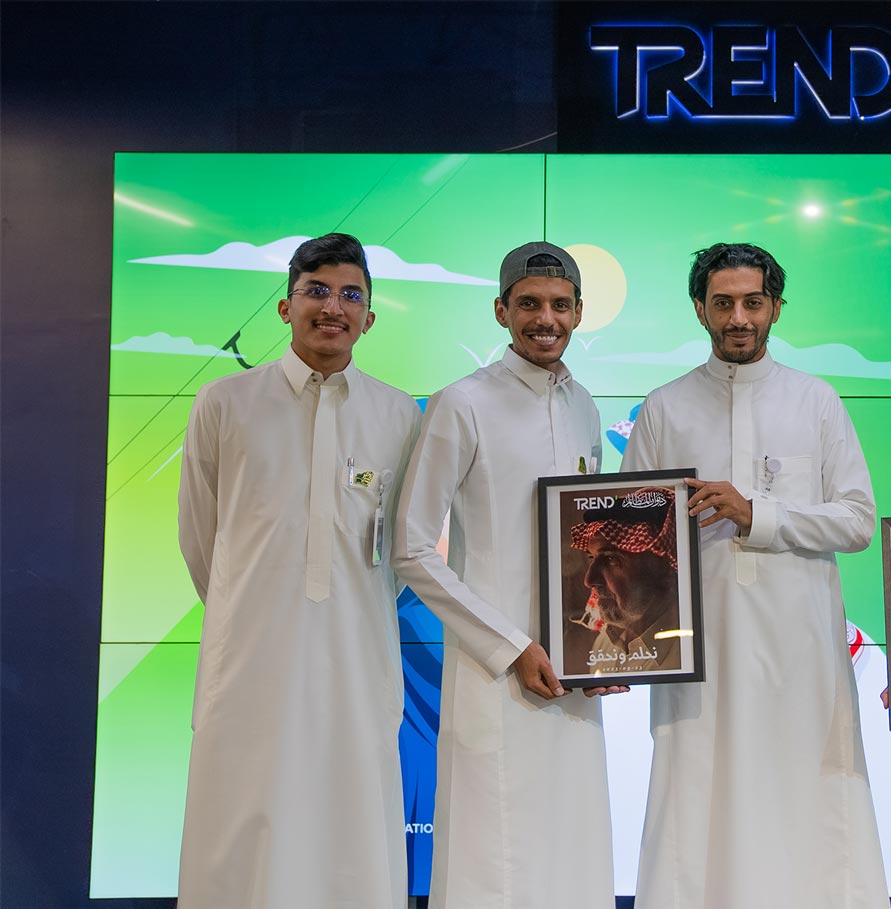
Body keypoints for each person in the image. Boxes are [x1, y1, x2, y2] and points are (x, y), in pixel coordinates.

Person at [620, 242, 888, 909]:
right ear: (700, 309)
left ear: (776, 307)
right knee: (696, 805)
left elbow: (858, 521)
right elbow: (626, 541)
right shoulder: (664, 407)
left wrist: (755, 513)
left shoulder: (816, 401)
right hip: (697, 657)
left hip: (800, 651)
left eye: (753, 302)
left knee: (807, 804)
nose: (738, 317)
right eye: (723, 303)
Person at [176, 232, 421, 908]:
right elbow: (201, 540)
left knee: (350, 829)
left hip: (356, 657)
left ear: (370, 317)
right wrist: (250, 606)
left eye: (350, 295)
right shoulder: (224, 403)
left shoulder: (398, 413)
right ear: (286, 307)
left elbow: (403, 551)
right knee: (241, 827)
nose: (332, 307)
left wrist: (342, 603)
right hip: (250, 660)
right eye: (317, 291)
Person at [392, 241, 617, 909]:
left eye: (559, 305)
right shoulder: (461, 403)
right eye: (529, 304)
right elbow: (411, 547)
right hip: (498, 672)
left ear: (579, 312)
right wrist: (512, 647)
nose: (545, 319)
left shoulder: (583, 406)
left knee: (572, 846)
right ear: (501, 310)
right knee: (494, 859)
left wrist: (612, 644)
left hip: (574, 671)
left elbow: (593, 541)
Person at [569, 486, 683, 673]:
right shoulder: (604, 645)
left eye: (611, 559)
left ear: (663, 565)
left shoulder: (690, 650)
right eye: (591, 557)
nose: (589, 580)